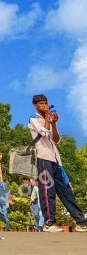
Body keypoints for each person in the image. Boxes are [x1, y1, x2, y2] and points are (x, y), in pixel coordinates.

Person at [28, 94, 87, 232]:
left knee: (66, 192)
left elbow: (56, 139)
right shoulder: (33, 119)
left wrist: (54, 124)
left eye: (45, 103)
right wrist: (48, 118)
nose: (44, 105)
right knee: (48, 191)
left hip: (55, 160)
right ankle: (50, 223)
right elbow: (43, 133)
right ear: (35, 105)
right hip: (43, 159)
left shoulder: (49, 119)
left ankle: (81, 221)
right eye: (41, 104)